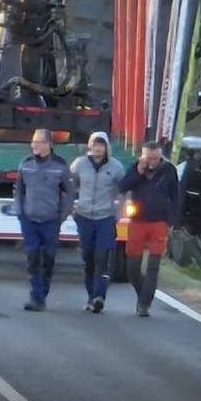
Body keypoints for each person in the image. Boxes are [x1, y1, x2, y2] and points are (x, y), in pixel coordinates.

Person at [14, 129, 76, 312]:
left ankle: (43, 291)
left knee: (48, 258)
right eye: (33, 142)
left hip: (51, 219)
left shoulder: (59, 165)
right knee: (32, 257)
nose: (34, 145)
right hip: (29, 219)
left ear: (49, 144)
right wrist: (20, 212)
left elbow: (70, 192)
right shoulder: (25, 164)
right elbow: (19, 190)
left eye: (39, 142)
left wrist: (62, 215)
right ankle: (36, 297)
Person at [118, 141, 180, 317]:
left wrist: (171, 220)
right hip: (137, 221)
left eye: (155, 158)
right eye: (148, 158)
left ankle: (145, 304)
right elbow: (122, 187)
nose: (152, 161)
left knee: (153, 265)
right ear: (143, 156)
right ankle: (142, 293)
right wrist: (138, 172)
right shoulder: (136, 168)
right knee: (132, 266)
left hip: (159, 221)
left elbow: (176, 196)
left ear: (160, 156)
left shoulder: (169, 170)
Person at [70, 131, 125, 314]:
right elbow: (71, 184)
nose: (98, 148)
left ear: (106, 147)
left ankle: (99, 296)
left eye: (101, 145)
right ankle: (90, 296)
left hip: (105, 217)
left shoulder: (116, 167)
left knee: (102, 257)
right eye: (95, 145)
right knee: (88, 257)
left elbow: (122, 190)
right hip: (84, 216)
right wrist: (73, 205)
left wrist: (119, 211)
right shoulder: (80, 164)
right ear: (90, 146)